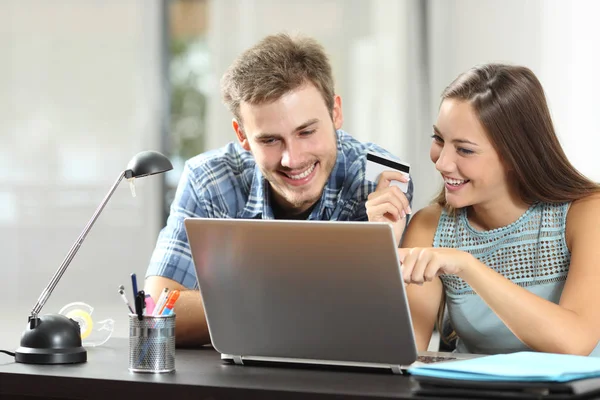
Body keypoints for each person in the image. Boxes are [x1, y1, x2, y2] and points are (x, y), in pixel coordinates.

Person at [144, 33, 413, 347]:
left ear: (336, 113)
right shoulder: (209, 179)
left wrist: (244, 303)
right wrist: (306, 298)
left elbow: (378, 329)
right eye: (270, 140)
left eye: (307, 131)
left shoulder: (378, 177)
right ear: (242, 135)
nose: (292, 159)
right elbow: (156, 312)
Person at [366, 63, 600, 356]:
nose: (442, 163)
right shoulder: (430, 226)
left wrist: (467, 266)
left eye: (464, 149)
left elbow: (575, 342)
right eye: (439, 139)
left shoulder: (587, 213)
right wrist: (379, 249)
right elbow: (395, 354)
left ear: (516, 155)